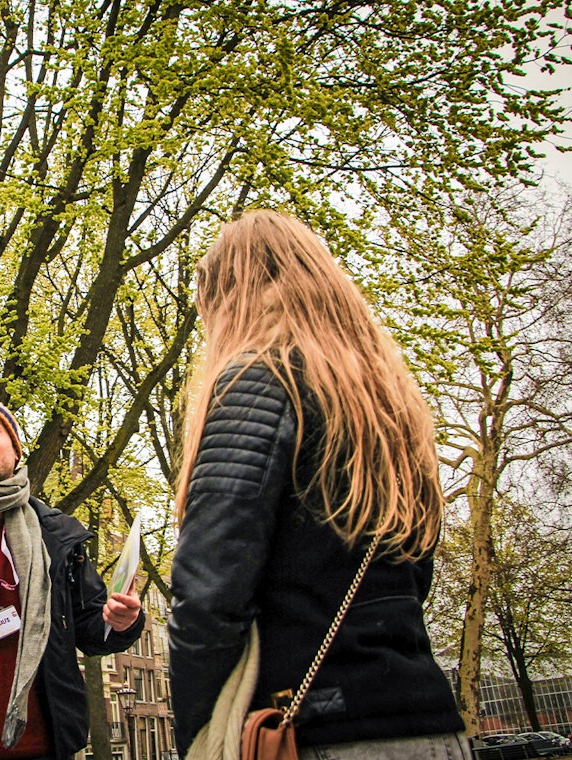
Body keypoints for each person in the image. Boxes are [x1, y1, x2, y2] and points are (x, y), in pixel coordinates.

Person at [168, 210, 468, 759]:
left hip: (317, 728)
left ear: (229, 296)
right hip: (429, 720)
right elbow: (416, 567)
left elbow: (208, 592)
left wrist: (200, 733)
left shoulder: (258, 381)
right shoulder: (393, 409)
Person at [0, 398, 145, 760]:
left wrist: (122, 621)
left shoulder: (58, 534)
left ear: (16, 451)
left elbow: (90, 629)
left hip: (46, 743)